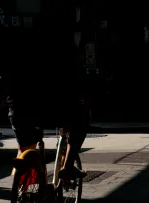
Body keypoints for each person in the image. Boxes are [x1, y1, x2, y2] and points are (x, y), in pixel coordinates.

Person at [7, 40, 89, 180]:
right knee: (81, 121)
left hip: (19, 109)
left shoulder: (20, 50)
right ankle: (68, 167)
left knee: (25, 145)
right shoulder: (66, 51)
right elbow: (79, 83)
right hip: (52, 108)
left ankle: (23, 174)